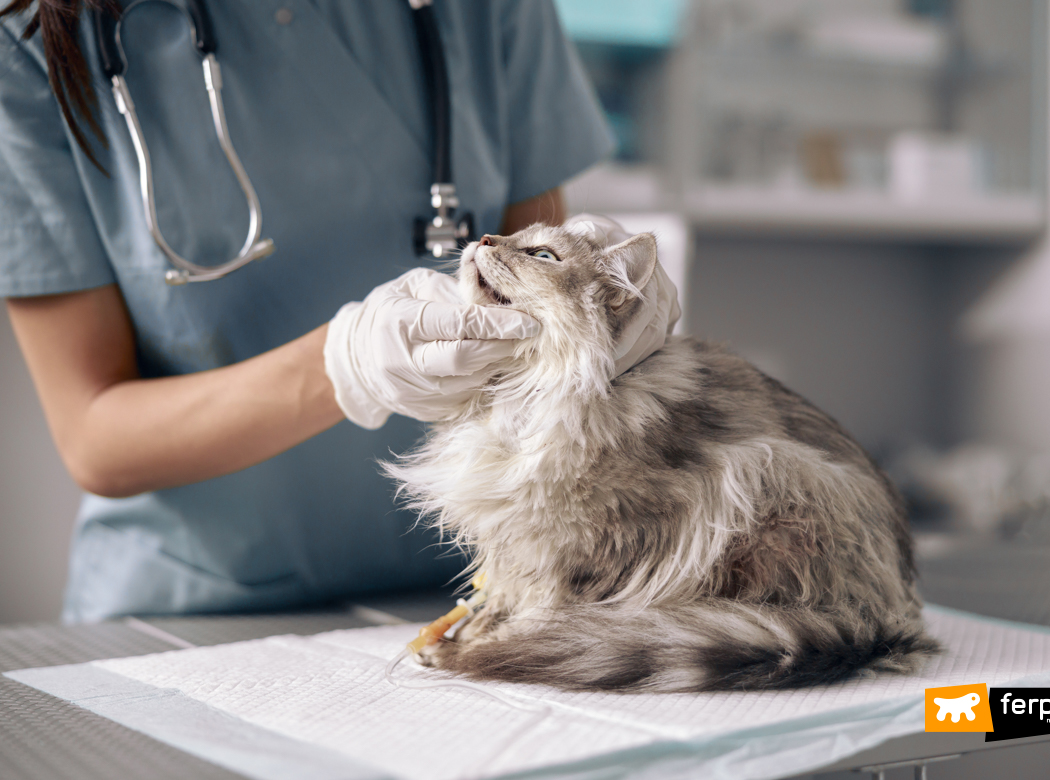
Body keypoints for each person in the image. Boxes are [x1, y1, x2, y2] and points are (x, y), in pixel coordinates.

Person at [0, 0, 676, 623]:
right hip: (190, 613)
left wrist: (604, 321)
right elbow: (94, 437)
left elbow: (530, 286)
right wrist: (348, 364)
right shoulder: (25, 42)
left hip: (472, 592)